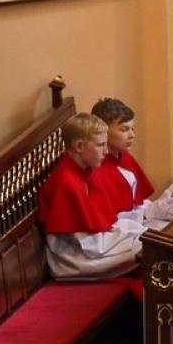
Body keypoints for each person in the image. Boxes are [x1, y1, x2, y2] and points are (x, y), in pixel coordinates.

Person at [37, 113, 160, 279]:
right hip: (73, 258)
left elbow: (103, 225)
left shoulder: (85, 172)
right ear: (79, 146)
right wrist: (134, 231)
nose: (106, 151)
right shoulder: (67, 184)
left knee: (156, 237)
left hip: (94, 245)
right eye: (100, 145)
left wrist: (136, 229)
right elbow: (91, 246)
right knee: (154, 247)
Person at [90, 97, 173, 222]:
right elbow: (107, 222)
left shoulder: (124, 157)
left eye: (132, 128)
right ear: (103, 131)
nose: (132, 135)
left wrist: (154, 207)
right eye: (124, 129)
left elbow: (135, 203)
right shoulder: (94, 169)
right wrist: (147, 214)